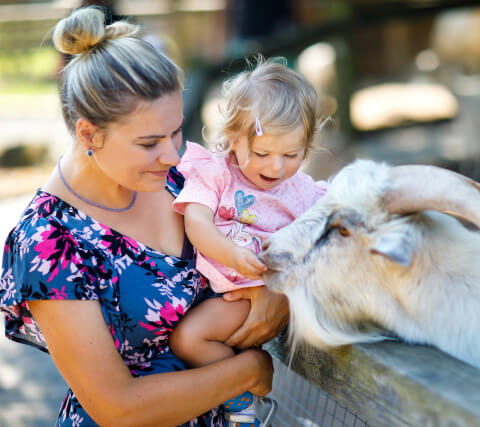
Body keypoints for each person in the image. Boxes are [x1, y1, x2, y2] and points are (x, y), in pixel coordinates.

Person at [0, 6, 289, 427]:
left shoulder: (180, 177)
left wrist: (272, 288)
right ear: (88, 133)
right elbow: (118, 407)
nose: (172, 154)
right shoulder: (48, 241)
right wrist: (248, 372)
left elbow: (271, 223)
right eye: (150, 141)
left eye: (176, 130)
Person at [168, 57, 327, 426]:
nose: (276, 168)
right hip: (229, 279)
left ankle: (241, 404)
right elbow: (197, 223)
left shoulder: (306, 193)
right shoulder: (216, 173)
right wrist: (234, 255)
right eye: (262, 154)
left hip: (250, 293)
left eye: (292, 154)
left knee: (189, 340)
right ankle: (241, 382)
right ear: (235, 139)